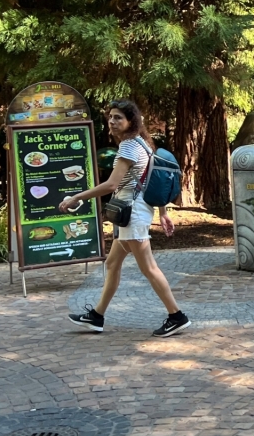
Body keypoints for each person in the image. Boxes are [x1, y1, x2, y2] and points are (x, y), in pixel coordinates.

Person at [65, 100, 190, 338]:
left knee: (150, 268)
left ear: (131, 121)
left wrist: (77, 197)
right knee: (112, 264)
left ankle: (177, 316)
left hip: (132, 213)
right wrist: (163, 212)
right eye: (110, 117)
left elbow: (112, 184)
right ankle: (97, 316)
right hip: (133, 212)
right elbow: (151, 179)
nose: (112, 122)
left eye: (118, 117)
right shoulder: (142, 144)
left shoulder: (129, 147)